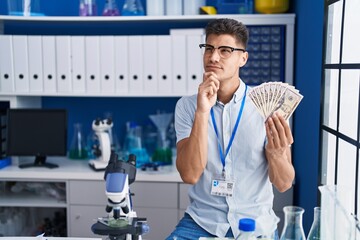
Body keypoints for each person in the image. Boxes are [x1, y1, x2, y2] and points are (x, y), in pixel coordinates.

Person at [166, 18, 295, 240]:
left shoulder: (268, 105)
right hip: (201, 222)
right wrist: (202, 112)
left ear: (242, 58)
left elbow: (283, 183)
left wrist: (276, 154)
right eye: (209, 48)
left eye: (225, 50)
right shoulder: (187, 106)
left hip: (255, 225)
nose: (213, 57)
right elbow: (189, 174)